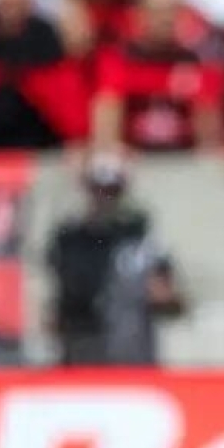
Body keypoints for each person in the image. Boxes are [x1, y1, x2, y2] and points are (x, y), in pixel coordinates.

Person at [46, 153, 184, 365]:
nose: (104, 197)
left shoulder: (142, 237)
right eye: (98, 189)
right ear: (87, 190)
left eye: (112, 190)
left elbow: (169, 297)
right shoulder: (70, 239)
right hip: (82, 351)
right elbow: (59, 298)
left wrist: (164, 296)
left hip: (133, 353)